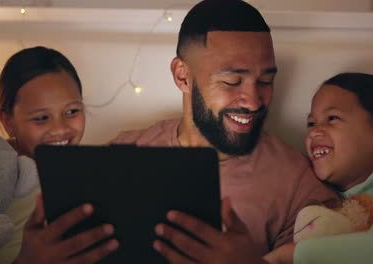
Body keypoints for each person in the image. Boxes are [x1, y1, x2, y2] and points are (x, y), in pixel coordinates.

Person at [109, 0, 339, 263]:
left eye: (266, 81)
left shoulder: (298, 184)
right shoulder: (120, 157)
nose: (253, 102)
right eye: (232, 81)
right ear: (182, 76)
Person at [263, 73, 373, 264]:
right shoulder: (324, 196)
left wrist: (288, 255)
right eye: (311, 123)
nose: (314, 131)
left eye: (332, 118)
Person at [0, 46, 117, 264]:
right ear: (7, 121)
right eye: (41, 118)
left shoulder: (93, 172)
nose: (59, 129)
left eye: (72, 111)